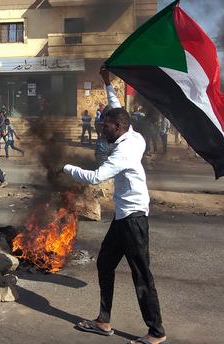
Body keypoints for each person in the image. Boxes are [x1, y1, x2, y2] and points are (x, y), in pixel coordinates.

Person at [64, 108, 166, 344]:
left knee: (142, 275)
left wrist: (66, 168)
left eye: (106, 126)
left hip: (134, 220)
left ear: (118, 127)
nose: (102, 129)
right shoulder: (134, 135)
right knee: (105, 264)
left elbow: (95, 177)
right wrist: (107, 83)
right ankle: (103, 320)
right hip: (123, 218)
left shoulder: (122, 152)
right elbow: (117, 106)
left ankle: (156, 332)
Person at [95, 67, 123, 164]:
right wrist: (106, 80)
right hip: (108, 146)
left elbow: (113, 99)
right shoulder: (134, 137)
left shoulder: (133, 140)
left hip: (107, 146)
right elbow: (113, 100)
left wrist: (106, 79)